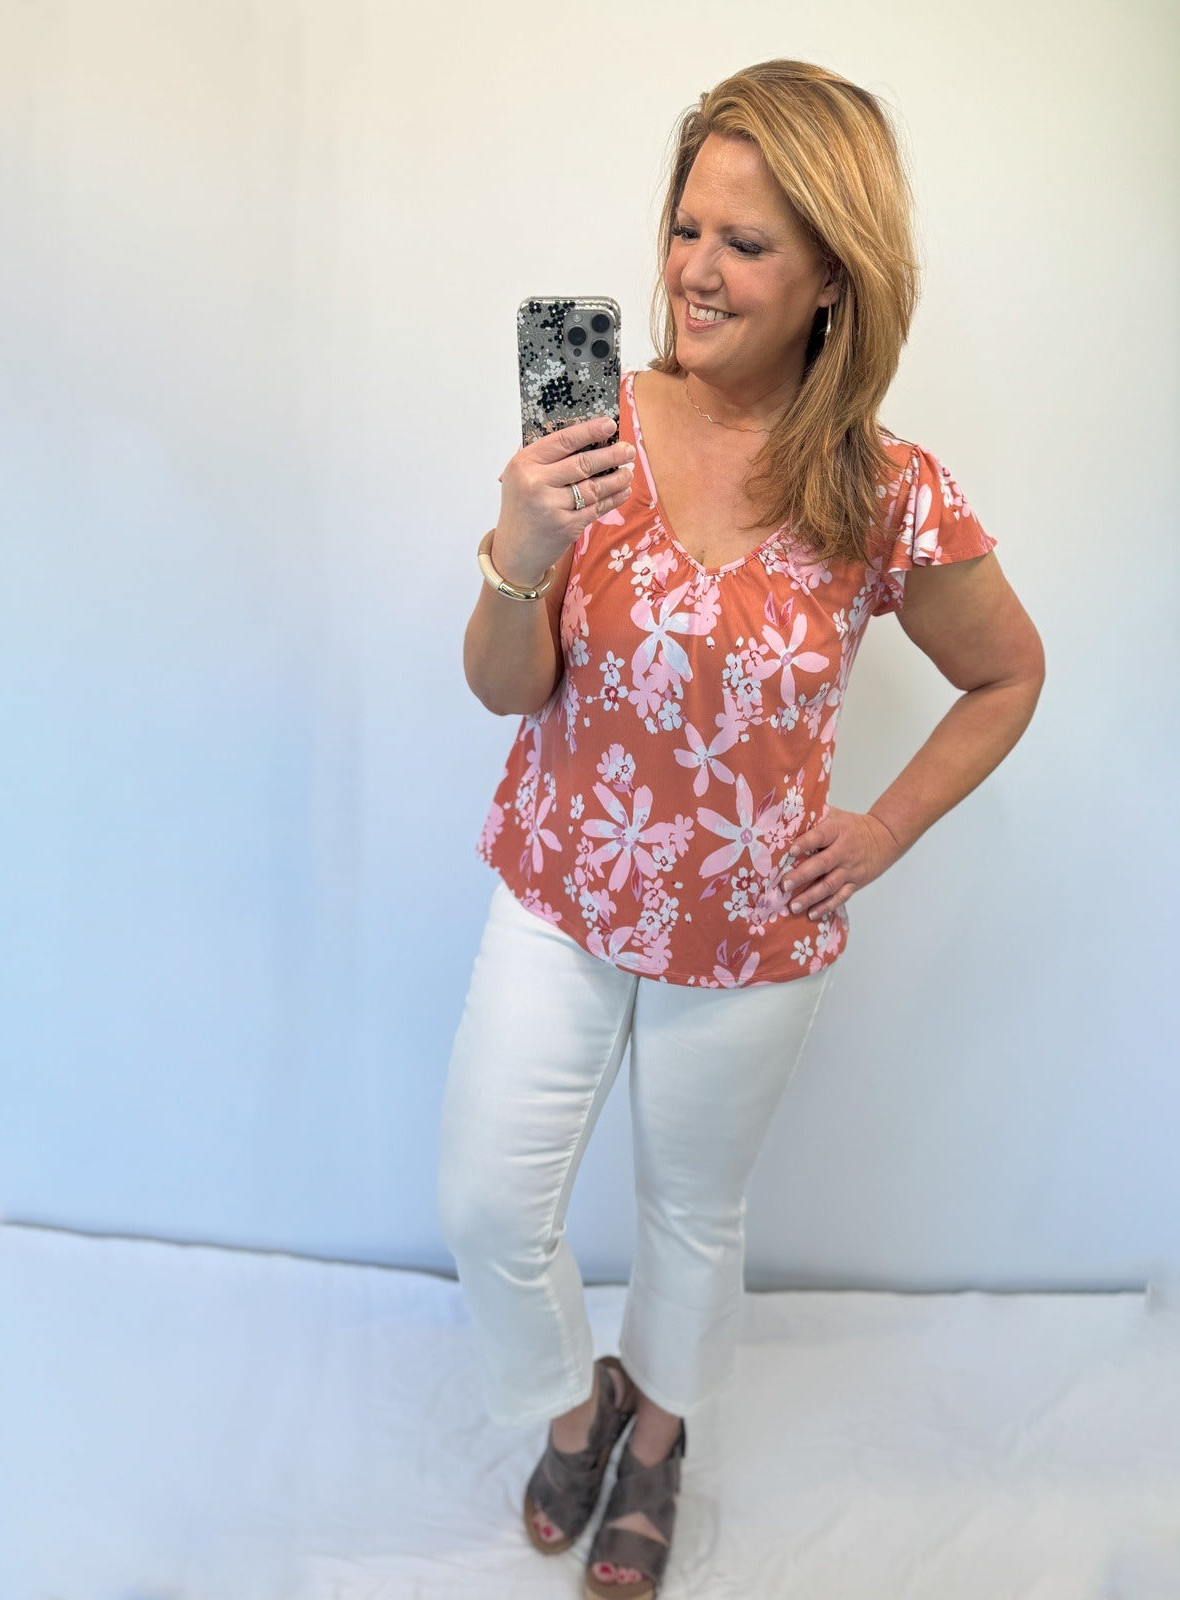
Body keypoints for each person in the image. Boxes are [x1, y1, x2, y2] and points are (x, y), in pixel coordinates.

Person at [437, 57, 1045, 1600]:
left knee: (692, 1219)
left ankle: (656, 1447)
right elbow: (507, 688)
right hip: (562, 883)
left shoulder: (886, 491)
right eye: (685, 228)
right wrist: (521, 552)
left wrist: (886, 828)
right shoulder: (592, 431)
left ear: (835, 273)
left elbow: (1007, 674)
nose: (694, 270)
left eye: (746, 243)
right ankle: (578, 1410)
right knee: (489, 1203)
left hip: (749, 922)